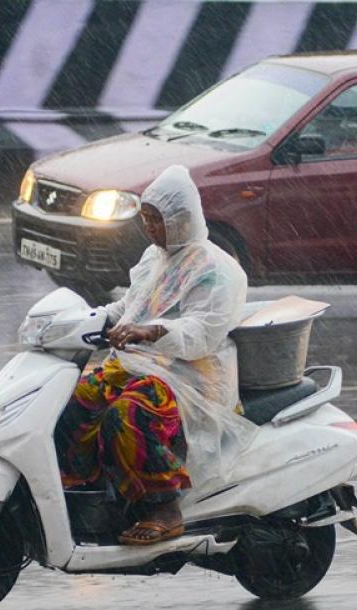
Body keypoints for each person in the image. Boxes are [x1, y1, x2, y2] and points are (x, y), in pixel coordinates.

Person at [53, 165, 248, 546]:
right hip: (140, 363)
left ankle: (164, 508)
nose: (150, 228)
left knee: (126, 416)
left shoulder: (219, 271)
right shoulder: (154, 258)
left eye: (157, 221)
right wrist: (80, 321)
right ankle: (92, 493)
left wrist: (152, 330)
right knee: (71, 401)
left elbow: (202, 334)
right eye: (145, 219)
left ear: (181, 219)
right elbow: (130, 304)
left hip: (192, 377)